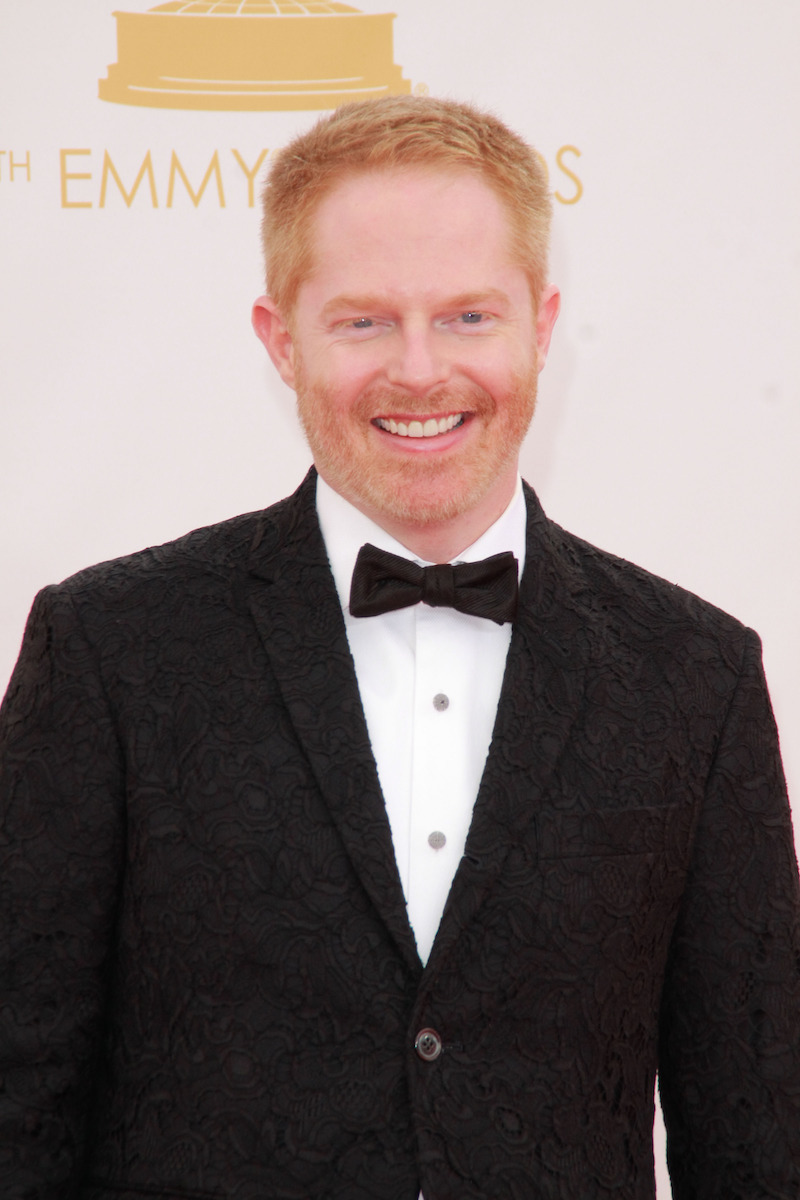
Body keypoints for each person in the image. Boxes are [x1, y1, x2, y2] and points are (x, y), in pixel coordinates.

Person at [1, 95, 798, 1200]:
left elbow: (754, 1135)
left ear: (541, 323)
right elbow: (18, 1095)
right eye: (363, 321)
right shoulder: (108, 648)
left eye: (468, 316)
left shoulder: (694, 676)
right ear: (279, 340)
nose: (419, 371)